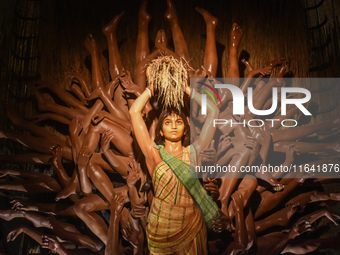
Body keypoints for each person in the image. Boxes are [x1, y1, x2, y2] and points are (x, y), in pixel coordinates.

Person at [129, 55, 220, 254]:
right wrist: (151, 89)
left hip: (193, 225)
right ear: (160, 130)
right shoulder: (153, 154)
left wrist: (185, 88)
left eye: (178, 122)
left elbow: (213, 111)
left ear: (185, 129)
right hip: (160, 229)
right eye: (168, 122)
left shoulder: (194, 152)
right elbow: (134, 112)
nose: (173, 126)